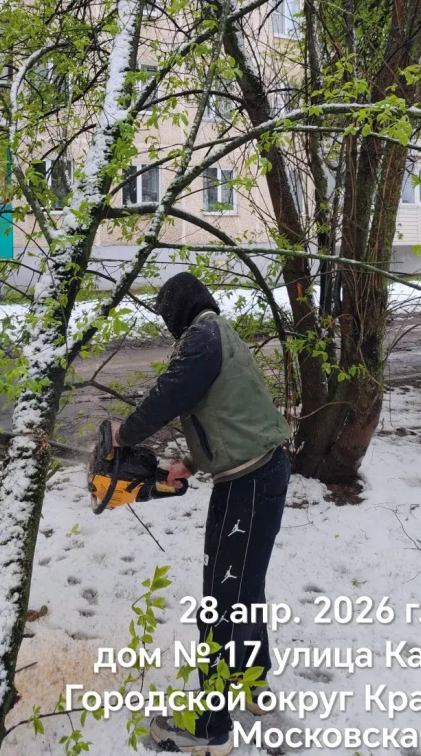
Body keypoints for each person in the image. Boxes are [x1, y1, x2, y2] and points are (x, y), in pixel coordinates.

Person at [113, 271, 291, 756]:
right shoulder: (221, 334)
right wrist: (190, 463)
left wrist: (123, 436)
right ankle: (252, 681)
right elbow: (232, 410)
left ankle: (210, 726)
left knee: (222, 602)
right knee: (245, 587)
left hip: (248, 484)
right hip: (260, 471)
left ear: (176, 311)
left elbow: (169, 395)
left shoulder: (201, 337)